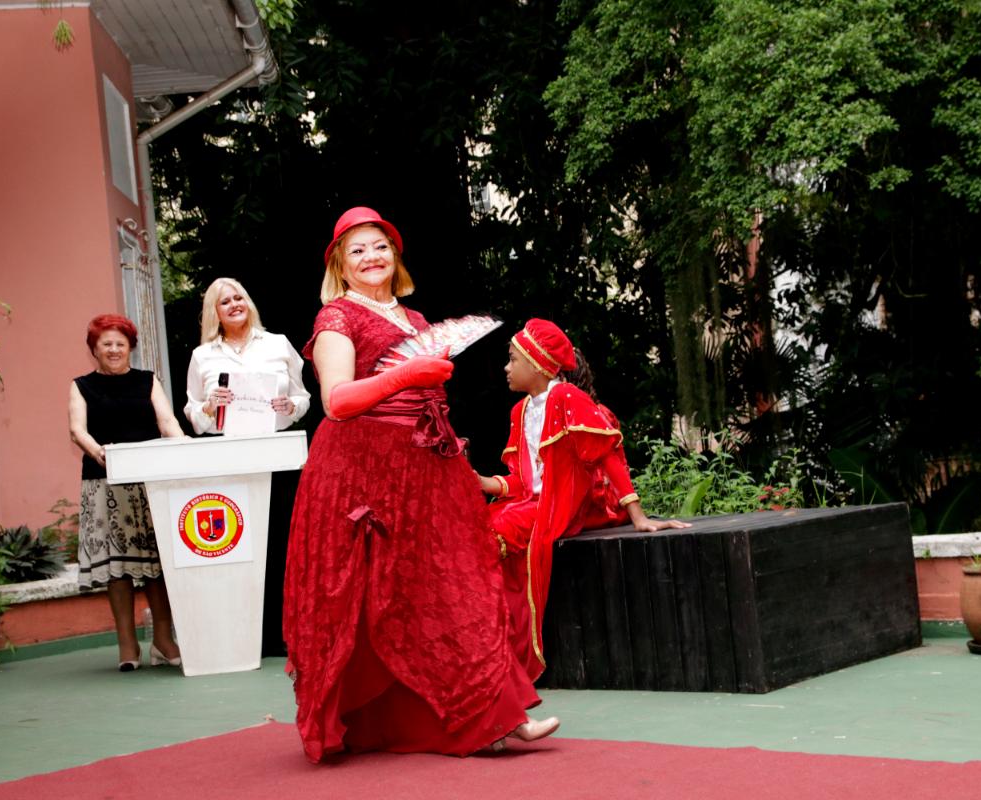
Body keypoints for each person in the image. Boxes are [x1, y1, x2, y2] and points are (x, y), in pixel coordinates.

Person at [282, 207, 558, 762]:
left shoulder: (415, 319)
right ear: (339, 264)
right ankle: (445, 722)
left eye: (380, 246)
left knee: (451, 584)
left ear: (396, 255)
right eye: (357, 249)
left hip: (424, 467)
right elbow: (337, 401)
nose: (371, 257)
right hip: (361, 473)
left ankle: (489, 717)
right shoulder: (336, 317)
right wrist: (405, 374)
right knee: (371, 598)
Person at [477, 320, 689, 681]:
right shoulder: (520, 411)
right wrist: (479, 482)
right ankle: (493, 643)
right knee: (476, 525)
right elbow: (522, 482)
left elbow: (608, 454)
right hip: (534, 504)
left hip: (567, 505)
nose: (506, 368)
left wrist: (637, 516)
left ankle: (498, 649)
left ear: (537, 363)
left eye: (513, 359)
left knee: (496, 529)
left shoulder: (566, 396)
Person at [183, 277, 311, 657]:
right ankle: (248, 636)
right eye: (225, 302)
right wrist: (209, 406)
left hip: (278, 458)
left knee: (283, 546)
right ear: (215, 313)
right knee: (242, 548)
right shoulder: (202, 356)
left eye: (239, 297)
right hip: (229, 461)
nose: (235, 304)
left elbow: (303, 396)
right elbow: (192, 411)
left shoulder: (278, 343)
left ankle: (287, 634)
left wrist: (292, 407)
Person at [68, 314, 185, 671]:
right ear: (94, 349)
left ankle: (163, 641)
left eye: (121, 343)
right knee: (116, 570)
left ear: (130, 347)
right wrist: (98, 452)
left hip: (149, 484)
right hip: (103, 483)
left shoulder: (148, 380)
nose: (114, 349)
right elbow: (77, 430)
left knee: (155, 566)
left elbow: (167, 422)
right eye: (106, 344)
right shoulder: (81, 385)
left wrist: (185, 448)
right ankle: (127, 645)